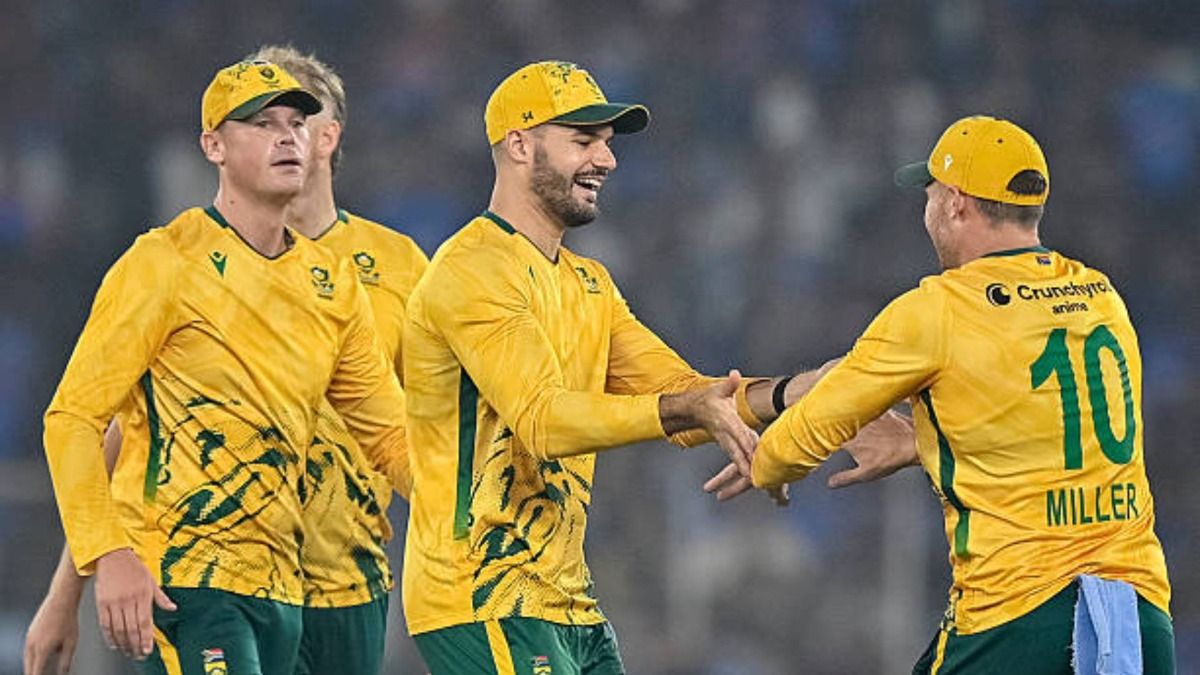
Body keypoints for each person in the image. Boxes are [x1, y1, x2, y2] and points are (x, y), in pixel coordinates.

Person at [400, 60, 912, 675]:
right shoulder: (474, 268)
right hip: (482, 594)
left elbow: (686, 395)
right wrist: (685, 408)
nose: (607, 160)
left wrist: (803, 393)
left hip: (567, 601)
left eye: (607, 144)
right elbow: (545, 422)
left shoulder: (589, 283)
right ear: (518, 145)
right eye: (583, 141)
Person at [25, 47, 427, 675]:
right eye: (262, 124)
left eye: (295, 123)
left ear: (322, 138)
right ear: (212, 146)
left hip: (298, 585)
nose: (286, 137)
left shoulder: (334, 281)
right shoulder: (164, 263)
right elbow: (77, 420)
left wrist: (473, 508)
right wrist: (104, 555)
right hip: (188, 576)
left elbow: (391, 435)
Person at [751, 115, 1174, 673]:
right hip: (1139, 624)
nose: (926, 210)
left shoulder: (937, 311)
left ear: (954, 203)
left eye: (929, 195)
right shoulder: (1101, 297)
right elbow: (1057, 426)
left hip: (1018, 621)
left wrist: (768, 456)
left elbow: (787, 450)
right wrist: (925, 443)